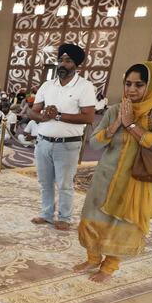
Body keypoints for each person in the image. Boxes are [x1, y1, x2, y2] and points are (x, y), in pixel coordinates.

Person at [76, 62, 152, 283]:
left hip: (136, 178)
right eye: (128, 83)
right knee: (91, 216)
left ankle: (109, 267)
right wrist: (116, 124)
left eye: (139, 84)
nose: (131, 89)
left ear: (151, 85)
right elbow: (95, 143)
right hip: (106, 174)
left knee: (121, 223)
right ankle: (92, 258)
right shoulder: (116, 109)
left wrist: (131, 125)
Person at [29, 43, 96, 230]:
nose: (62, 64)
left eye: (67, 61)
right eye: (60, 60)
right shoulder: (47, 85)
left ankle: (65, 218)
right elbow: (32, 112)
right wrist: (42, 116)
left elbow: (89, 117)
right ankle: (46, 214)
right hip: (43, 142)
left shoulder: (85, 86)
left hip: (67, 145)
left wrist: (57, 115)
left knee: (64, 184)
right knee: (44, 182)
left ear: (76, 65)